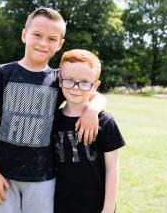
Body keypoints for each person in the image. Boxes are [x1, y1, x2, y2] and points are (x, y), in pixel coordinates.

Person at [0, 8, 107, 213]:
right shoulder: (4, 73)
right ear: (24, 35)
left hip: (43, 179)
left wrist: (93, 110)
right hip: (3, 177)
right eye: (37, 34)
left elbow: (97, 95)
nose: (43, 43)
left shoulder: (59, 79)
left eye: (51, 38)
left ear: (59, 44)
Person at [53, 49, 125, 213]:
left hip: (96, 205)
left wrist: (108, 209)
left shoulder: (105, 122)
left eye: (85, 82)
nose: (76, 87)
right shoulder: (54, 120)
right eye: (69, 80)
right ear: (59, 80)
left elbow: (112, 169)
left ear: (95, 86)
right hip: (60, 205)